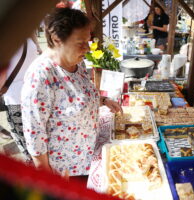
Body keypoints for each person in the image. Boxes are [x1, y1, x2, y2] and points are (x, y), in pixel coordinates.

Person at [21, 8, 122, 177]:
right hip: (66, 172)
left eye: (88, 41)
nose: (87, 48)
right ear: (56, 39)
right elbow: (35, 134)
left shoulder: (77, 62)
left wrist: (103, 101)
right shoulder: (41, 75)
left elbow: (77, 96)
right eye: (80, 43)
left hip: (90, 159)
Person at [2, 38, 39, 164]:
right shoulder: (29, 41)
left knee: (26, 146)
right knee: (38, 141)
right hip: (36, 95)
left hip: (15, 98)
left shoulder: (5, 43)